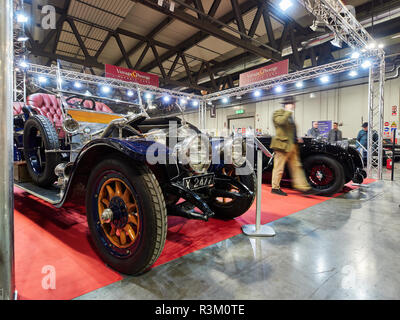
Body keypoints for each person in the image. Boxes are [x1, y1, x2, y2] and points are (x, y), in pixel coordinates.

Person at [270, 96, 313, 196]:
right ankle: (275, 188)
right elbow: (280, 122)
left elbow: (290, 131)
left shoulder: (289, 116)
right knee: (279, 168)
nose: (294, 105)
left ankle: (303, 187)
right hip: (282, 145)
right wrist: (287, 111)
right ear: (286, 104)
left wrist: (297, 138)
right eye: (292, 103)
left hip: (292, 145)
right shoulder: (278, 113)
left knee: (296, 167)